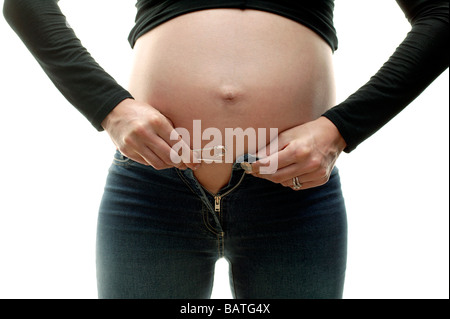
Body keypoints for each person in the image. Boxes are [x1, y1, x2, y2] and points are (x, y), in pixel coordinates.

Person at [3, 0, 448, 299]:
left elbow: (441, 13)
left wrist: (340, 129)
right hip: (153, 193)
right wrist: (109, 107)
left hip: (292, 196)